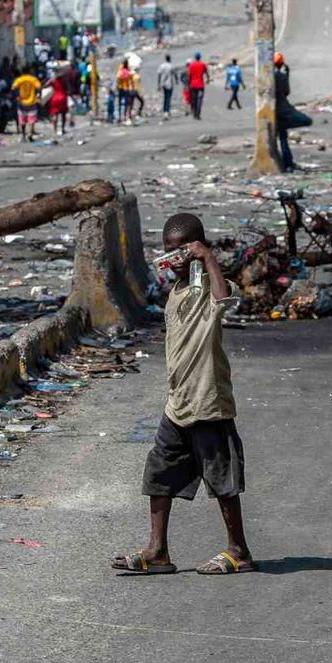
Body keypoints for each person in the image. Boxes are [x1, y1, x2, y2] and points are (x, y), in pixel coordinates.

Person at [112, 212, 254, 577]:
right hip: (178, 403)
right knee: (159, 472)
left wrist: (207, 259)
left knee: (221, 480)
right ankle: (157, 551)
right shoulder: (176, 290)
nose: (173, 257)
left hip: (208, 400)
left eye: (182, 250)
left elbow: (224, 301)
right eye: (167, 251)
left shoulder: (208, 284)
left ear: (196, 248)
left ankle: (239, 551)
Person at [12, 65, 42, 141]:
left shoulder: (19, 80)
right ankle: (30, 134)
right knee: (31, 119)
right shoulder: (33, 79)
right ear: (29, 70)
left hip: (21, 102)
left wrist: (17, 96)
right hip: (32, 101)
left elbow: (13, 88)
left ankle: (23, 135)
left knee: (22, 119)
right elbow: (39, 87)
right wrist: (38, 97)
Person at [186, 52, 209, 120]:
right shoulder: (203, 64)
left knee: (194, 99)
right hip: (200, 85)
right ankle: (198, 114)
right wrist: (208, 79)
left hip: (193, 85)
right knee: (200, 100)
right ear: (200, 57)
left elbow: (189, 76)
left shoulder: (191, 65)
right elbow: (206, 73)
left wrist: (188, 84)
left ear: (195, 57)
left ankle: (195, 113)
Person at [47, 68, 70, 135]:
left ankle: (55, 130)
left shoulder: (53, 81)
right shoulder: (64, 80)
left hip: (55, 98)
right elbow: (67, 88)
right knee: (63, 114)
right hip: (63, 97)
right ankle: (62, 129)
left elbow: (45, 85)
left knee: (55, 114)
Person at [156, 54, 176, 119]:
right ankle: (166, 112)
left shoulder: (162, 66)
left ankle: (165, 111)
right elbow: (174, 74)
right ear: (170, 59)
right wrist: (177, 80)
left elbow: (159, 74)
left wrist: (158, 83)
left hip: (163, 83)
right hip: (169, 83)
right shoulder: (171, 66)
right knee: (168, 98)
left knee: (165, 97)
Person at [116, 59, 135, 123]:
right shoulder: (128, 72)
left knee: (119, 103)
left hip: (121, 88)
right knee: (126, 104)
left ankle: (119, 117)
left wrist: (117, 86)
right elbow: (131, 80)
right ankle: (124, 116)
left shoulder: (120, 72)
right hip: (126, 89)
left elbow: (118, 79)